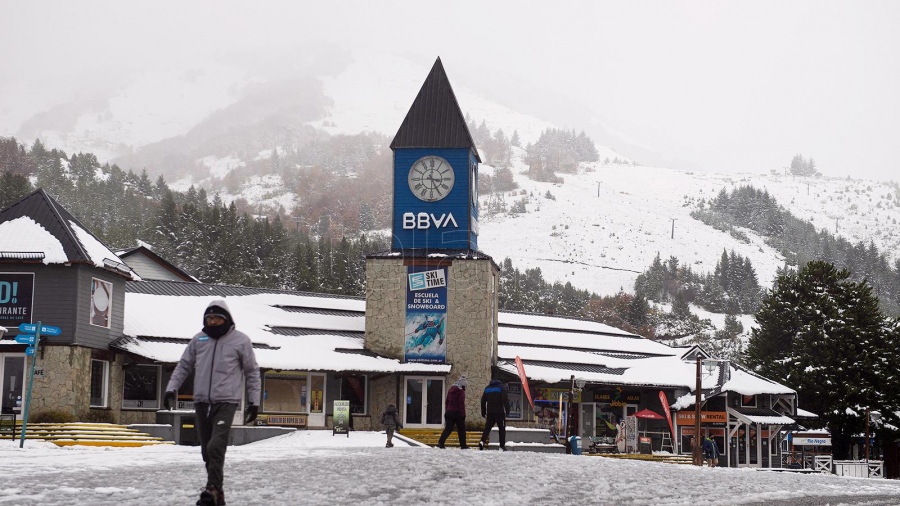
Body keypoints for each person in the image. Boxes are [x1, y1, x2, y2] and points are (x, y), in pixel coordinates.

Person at [164, 299, 260, 506]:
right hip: (201, 402)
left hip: (226, 401)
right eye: (209, 318)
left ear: (226, 319)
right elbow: (183, 366)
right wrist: (171, 388)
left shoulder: (241, 341)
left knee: (216, 445)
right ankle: (218, 493)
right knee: (206, 450)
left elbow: (252, 372)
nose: (213, 321)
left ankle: (213, 488)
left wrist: (254, 402)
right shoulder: (199, 340)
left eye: (217, 317)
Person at [479, 377, 510, 451]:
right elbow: (505, 399)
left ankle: (482, 441)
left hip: (490, 412)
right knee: (501, 429)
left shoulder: (487, 388)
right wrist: (508, 410)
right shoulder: (501, 387)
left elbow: (483, 401)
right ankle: (501, 446)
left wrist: (483, 411)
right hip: (499, 412)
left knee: (487, 428)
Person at [437, 375, 468, 449]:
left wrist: (447, 410)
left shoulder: (450, 390)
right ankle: (463, 445)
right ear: (463, 385)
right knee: (461, 429)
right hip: (457, 412)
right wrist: (463, 414)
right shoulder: (461, 391)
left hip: (449, 412)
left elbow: (447, 401)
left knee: (448, 429)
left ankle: (441, 443)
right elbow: (461, 403)